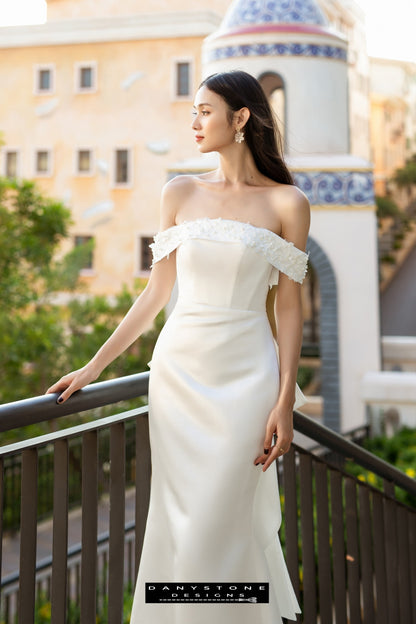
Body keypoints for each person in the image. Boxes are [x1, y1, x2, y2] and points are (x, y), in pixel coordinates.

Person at [47, 69, 310, 623]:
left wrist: (285, 397)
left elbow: (289, 307)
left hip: (247, 381)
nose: (194, 122)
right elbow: (155, 291)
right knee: (182, 517)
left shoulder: (289, 203)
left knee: (223, 516)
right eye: (192, 110)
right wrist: (94, 366)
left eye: (205, 111)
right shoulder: (179, 191)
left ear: (240, 119)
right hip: (178, 378)